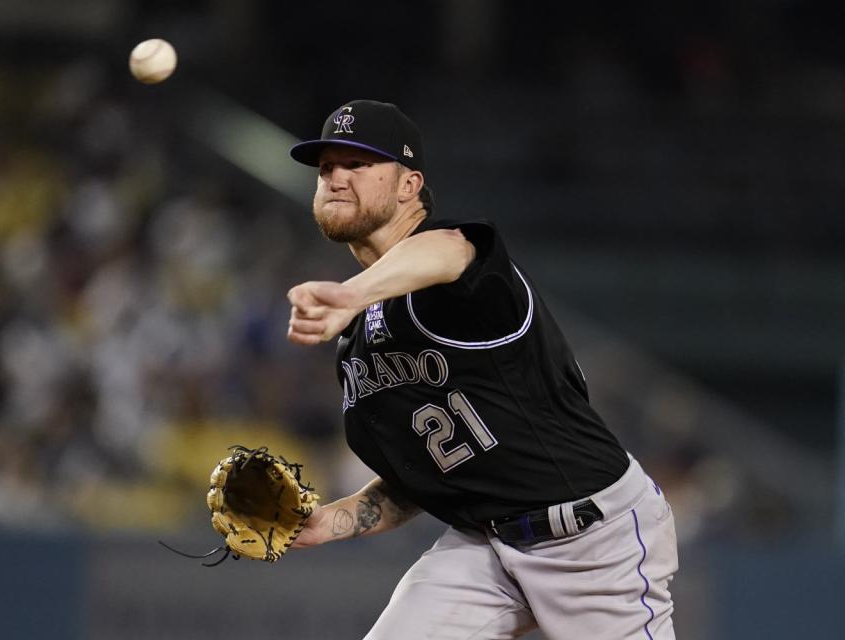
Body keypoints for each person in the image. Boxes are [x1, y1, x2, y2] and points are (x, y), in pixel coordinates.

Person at [285, 99, 678, 640]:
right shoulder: (358, 346)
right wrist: (332, 521)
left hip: (592, 537)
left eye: (357, 163)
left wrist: (351, 293)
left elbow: (448, 251)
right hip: (485, 546)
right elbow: (422, 477)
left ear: (409, 185)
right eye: (327, 167)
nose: (335, 177)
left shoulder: (458, 269)